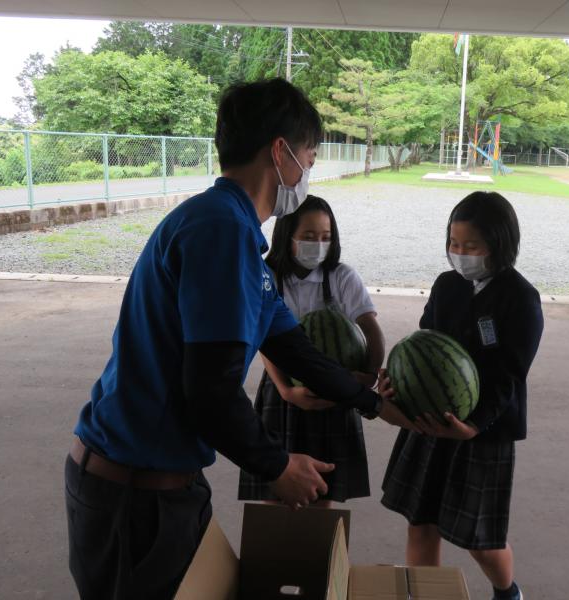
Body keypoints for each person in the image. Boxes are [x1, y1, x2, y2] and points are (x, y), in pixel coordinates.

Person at [64, 78, 410, 600]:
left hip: (164, 485)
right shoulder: (219, 231)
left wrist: (374, 403)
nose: (309, 171)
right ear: (280, 153)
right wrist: (278, 466)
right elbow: (211, 390)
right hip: (134, 496)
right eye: (310, 158)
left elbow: (294, 349)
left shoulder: (236, 234)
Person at [380, 191, 544, 600]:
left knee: (479, 538)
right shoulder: (447, 284)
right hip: (431, 419)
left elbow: (510, 375)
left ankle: (507, 591)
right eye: (454, 243)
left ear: (500, 244)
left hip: (484, 429)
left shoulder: (521, 297)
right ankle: (425, 594)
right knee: (420, 522)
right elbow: (424, 342)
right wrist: (398, 382)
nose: (460, 254)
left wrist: (473, 424)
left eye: (471, 246)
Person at [238, 195, 384, 505]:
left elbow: (371, 328)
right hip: (283, 388)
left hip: (335, 387)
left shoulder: (342, 277)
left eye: (325, 237)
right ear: (287, 235)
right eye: (308, 236)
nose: (318, 244)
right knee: (276, 489)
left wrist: (370, 375)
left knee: (321, 490)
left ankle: (317, 537)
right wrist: (286, 391)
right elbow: (266, 340)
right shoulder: (268, 275)